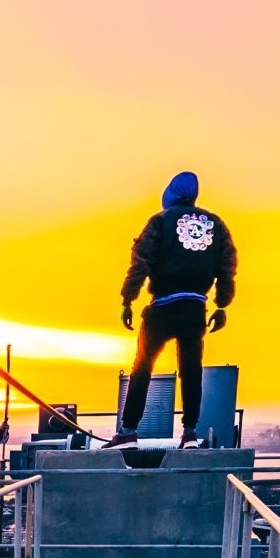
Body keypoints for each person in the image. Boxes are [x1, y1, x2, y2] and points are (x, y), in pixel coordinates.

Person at [113, 170, 236, 446]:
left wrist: (127, 299)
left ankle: (128, 431)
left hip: (162, 308)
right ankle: (190, 432)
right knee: (191, 369)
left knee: (142, 366)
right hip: (195, 308)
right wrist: (222, 305)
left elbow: (140, 261)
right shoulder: (216, 224)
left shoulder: (160, 221)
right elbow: (227, 266)